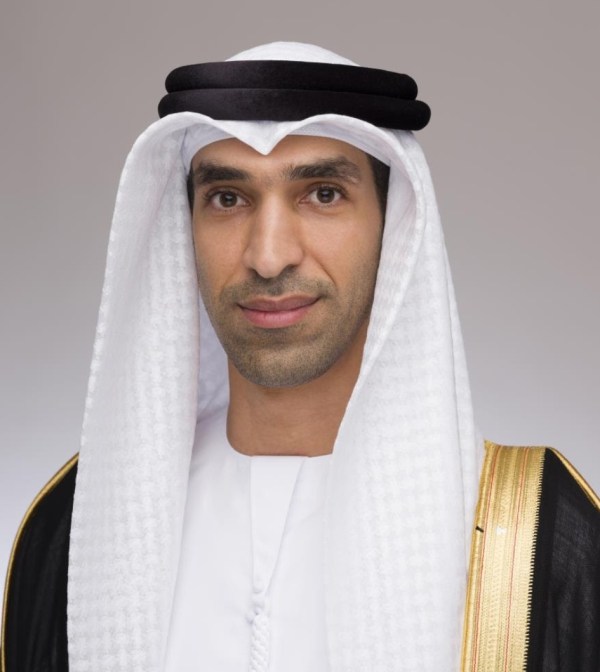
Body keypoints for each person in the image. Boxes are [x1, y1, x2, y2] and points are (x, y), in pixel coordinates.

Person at [2, 42, 599, 672]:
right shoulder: (77, 527)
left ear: (393, 225)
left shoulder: (535, 538)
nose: (269, 256)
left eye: (323, 194)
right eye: (227, 198)